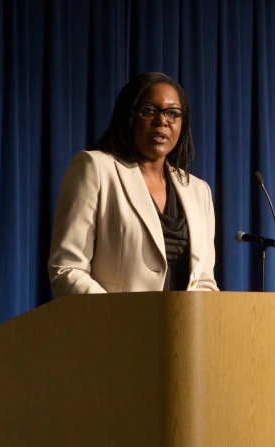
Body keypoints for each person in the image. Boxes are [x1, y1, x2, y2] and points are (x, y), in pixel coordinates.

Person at [48, 72, 219, 295]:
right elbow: (67, 268)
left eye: (172, 113)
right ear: (129, 116)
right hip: (116, 325)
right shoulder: (96, 168)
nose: (162, 121)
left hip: (182, 328)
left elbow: (204, 281)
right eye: (149, 110)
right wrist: (118, 319)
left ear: (182, 123)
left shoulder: (199, 191)